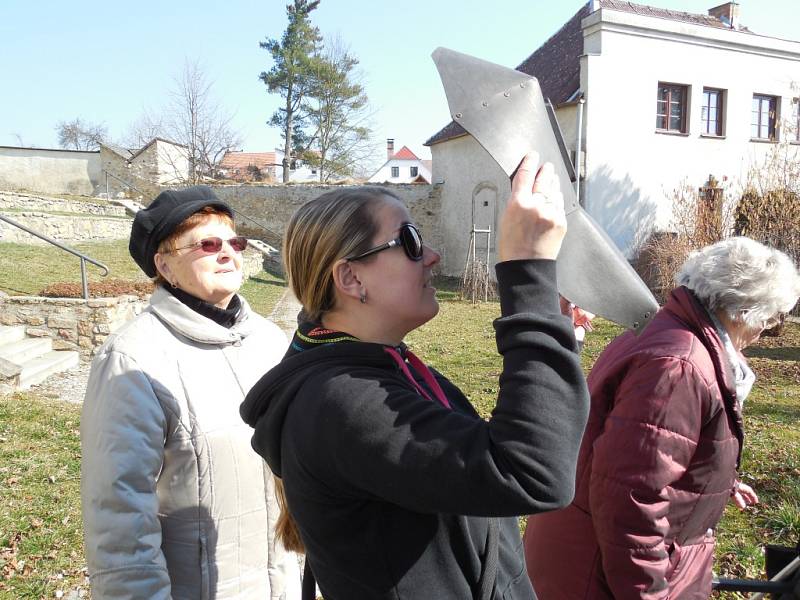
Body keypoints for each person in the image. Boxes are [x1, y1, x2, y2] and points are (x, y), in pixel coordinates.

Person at [240, 153, 590, 600]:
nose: (431, 256)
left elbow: (511, 452)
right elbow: (532, 472)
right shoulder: (342, 402)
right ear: (350, 278)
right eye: (409, 241)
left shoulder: (388, 370)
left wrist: (553, 328)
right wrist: (528, 278)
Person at [524, 237, 800, 599]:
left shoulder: (668, 330)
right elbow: (630, 500)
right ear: (742, 310)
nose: (767, 329)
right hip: (598, 574)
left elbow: (651, 450)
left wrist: (716, 480)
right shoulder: (679, 366)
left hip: (592, 552)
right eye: (772, 318)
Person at [81, 186, 301, 599]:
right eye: (207, 243)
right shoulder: (133, 360)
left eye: (235, 241)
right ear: (164, 265)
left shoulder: (271, 342)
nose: (228, 252)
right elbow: (119, 518)